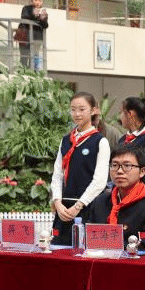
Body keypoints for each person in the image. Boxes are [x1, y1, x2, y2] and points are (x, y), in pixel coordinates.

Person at [82, 145, 145, 253]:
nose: (120, 171)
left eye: (127, 165)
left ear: (142, 171)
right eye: (115, 165)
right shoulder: (100, 202)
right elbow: (88, 241)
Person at [49, 92, 110, 246]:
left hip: (89, 208)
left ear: (93, 110)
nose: (77, 114)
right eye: (73, 109)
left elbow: (100, 181)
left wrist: (78, 206)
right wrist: (57, 202)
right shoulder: (66, 140)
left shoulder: (100, 141)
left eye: (82, 109)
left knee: (86, 251)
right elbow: (57, 174)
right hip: (64, 209)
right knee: (59, 251)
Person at [118, 97, 145, 198]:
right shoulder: (122, 140)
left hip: (141, 197)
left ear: (130, 114)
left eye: (121, 112)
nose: (120, 116)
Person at [19, 0, 49, 69]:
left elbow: (45, 25)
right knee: (24, 56)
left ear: (42, 2)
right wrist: (35, 15)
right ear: (32, 1)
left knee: (35, 56)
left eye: (40, 0)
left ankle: (33, 72)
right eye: (35, 0)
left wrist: (41, 18)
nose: (37, 2)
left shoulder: (43, 12)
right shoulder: (26, 8)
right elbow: (25, 18)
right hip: (25, 37)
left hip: (37, 38)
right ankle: (23, 71)